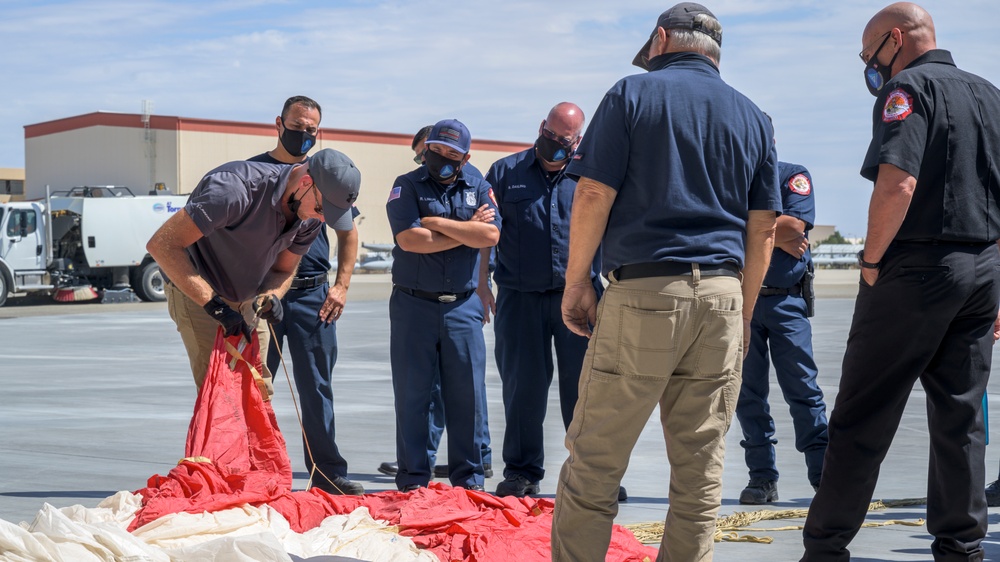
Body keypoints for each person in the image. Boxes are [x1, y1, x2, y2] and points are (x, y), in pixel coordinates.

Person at [549, 4, 780, 561]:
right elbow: (764, 226)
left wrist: (577, 280)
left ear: (660, 39)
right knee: (701, 469)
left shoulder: (632, 95)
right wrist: (742, 314)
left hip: (646, 293)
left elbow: (593, 193)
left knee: (596, 461)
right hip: (723, 297)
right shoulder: (754, 116)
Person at [801, 3, 1000, 560]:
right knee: (961, 416)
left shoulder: (908, 90)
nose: (870, 68)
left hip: (916, 270)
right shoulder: (989, 93)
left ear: (894, 40)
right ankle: (961, 548)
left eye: (869, 56)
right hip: (982, 270)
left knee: (863, 413)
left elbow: (898, 184)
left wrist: (870, 261)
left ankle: (825, 548)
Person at [147, 147, 361, 404]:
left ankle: (253, 445)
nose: (323, 219)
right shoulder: (234, 189)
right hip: (196, 289)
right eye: (322, 209)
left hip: (247, 293)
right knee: (219, 394)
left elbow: (283, 269)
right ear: (306, 183)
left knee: (258, 393)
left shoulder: (310, 217)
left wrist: (271, 296)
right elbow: (162, 245)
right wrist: (213, 305)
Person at [480, 102, 608, 499]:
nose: (552, 144)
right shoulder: (505, 173)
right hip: (519, 298)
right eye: (549, 134)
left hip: (580, 296)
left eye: (563, 140)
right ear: (541, 127)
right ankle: (521, 472)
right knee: (523, 388)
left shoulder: (592, 175)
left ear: (578, 141)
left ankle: (591, 476)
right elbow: (485, 230)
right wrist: (482, 283)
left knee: (585, 388)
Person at [248, 96, 364, 496]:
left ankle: (327, 472)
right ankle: (252, 472)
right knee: (254, 388)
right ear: (278, 123)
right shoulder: (256, 172)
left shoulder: (326, 176)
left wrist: (341, 286)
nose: (304, 135)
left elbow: (349, 234)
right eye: (297, 126)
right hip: (265, 298)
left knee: (316, 390)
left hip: (314, 297)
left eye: (311, 130)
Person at [386, 119, 500, 491]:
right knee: (413, 395)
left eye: (452, 154)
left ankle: (469, 481)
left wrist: (436, 222)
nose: (442, 159)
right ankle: (413, 481)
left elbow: (490, 234)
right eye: (436, 150)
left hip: (462, 308)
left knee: (466, 395)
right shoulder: (407, 184)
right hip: (413, 305)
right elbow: (410, 240)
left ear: (465, 157)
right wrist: (463, 229)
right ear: (426, 149)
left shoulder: (478, 185)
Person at [735, 159, 828, 504]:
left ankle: (823, 476)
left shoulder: (792, 175)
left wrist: (749, 228)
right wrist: (775, 233)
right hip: (742, 301)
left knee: (803, 389)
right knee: (748, 395)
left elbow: (795, 225)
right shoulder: (732, 175)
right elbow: (781, 230)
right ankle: (762, 478)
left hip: (785, 303)